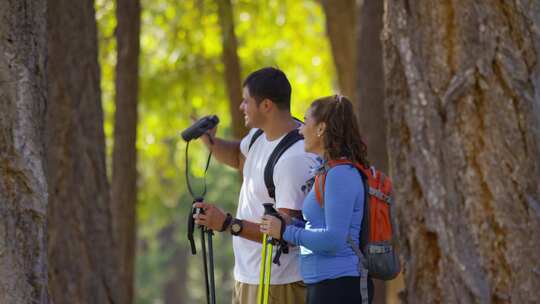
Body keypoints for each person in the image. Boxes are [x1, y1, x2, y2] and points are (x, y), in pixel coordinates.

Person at [193, 67, 318, 304]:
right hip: (248, 275)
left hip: (279, 281)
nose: (241, 107)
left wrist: (228, 223)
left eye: (246, 101)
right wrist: (209, 140)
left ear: (266, 105)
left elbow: (286, 233)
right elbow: (237, 157)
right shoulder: (259, 136)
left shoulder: (295, 159)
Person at [260, 95, 374, 304]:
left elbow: (333, 239)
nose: (300, 129)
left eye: (305, 121)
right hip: (324, 285)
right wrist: (289, 222)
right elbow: (320, 226)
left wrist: (286, 231)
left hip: (339, 286)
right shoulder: (328, 171)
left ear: (321, 129)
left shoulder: (341, 174)